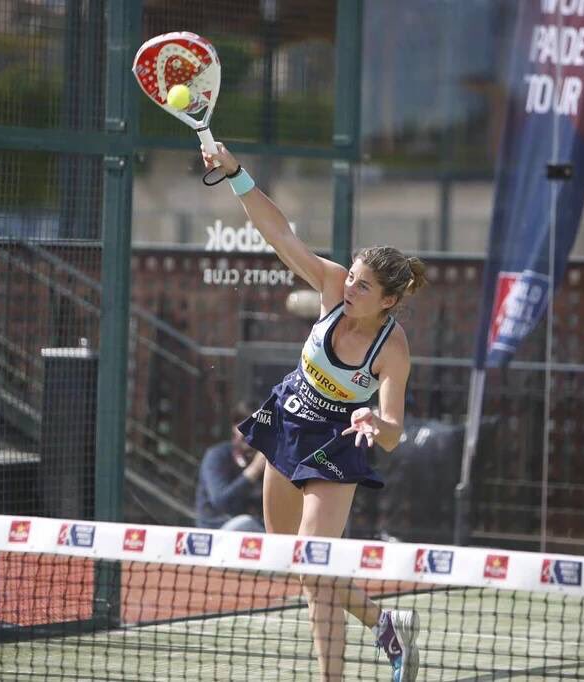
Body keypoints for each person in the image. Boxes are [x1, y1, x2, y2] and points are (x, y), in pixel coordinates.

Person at [201, 142, 427, 682]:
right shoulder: (330, 286)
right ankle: (387, 625)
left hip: (337, 444)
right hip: (288, 420)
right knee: (296, 562)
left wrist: (375, 422)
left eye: (363, 286)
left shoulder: (392, 350)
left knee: (316, 563)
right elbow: (279, 234)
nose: (350, 287)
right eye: (351, 276)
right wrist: (234, 172)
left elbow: (393, 434)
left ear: (387, 301)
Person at [195, 404, 266, 533]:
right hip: (218, 530)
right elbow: (221, 501)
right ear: (235, 428)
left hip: (254, 531)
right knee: (246, 522)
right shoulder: (217, 456)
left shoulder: (266, 460)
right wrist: (254, 470)